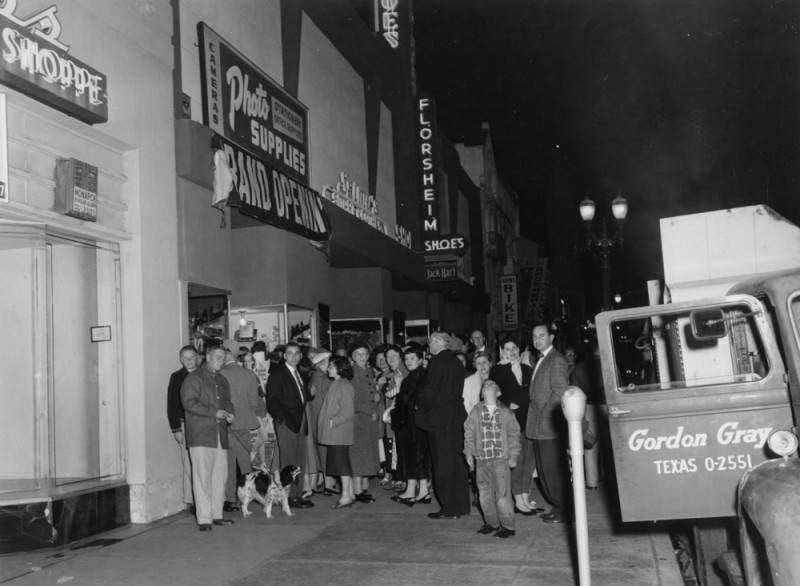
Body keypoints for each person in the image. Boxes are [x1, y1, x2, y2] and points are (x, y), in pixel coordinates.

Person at [416, 332, 471, 519]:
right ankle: (462, 505)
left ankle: (449, 507)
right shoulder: (456, 362)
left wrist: (419, 404)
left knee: (441, 464)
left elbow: (431, 390)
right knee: (457, 462)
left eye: (430, 341)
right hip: (456, 418)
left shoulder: (436, 362)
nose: (428, 344)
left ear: (439, 343)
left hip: (439, 420)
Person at [181, 345, 235, 531]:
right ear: (207, 357)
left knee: (220, 476)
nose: (221, 361)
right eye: (218, 357)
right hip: (201, 434)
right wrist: (215, 412)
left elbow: (228, 402)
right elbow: (189, 403)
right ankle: (204, 518)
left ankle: (217, 514)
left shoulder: (223, 379)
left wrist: (230, 413)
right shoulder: (194, 378)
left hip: (219, 434)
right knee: (202, 477)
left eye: (223, 358)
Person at [464, 380, 521, 538]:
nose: (487, 389)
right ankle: (491, 522)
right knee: (484, 495)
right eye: (485, 388)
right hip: (482, 460)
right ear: (482, 393)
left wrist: (513, 456)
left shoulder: (506, 413)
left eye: (492, 388)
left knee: (502, 495)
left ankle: (508, 526)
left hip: (500, 460)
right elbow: (469, 433)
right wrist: (468, 453)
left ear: (498, 393)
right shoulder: (476, 411)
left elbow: (513, 435)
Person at [526, 323, 570, 523]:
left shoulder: (557, 360)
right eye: (535, 336)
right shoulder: (541, 359)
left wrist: (545, 416)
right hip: (538, 426)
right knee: (545, 472)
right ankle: (558, 507)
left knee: (552, 471)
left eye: (542, 335)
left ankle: (565, 510)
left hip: (548, 426)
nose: (537, 339)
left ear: (551, 337)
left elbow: (560, 391)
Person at [491, 337, 539, 514]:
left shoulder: (527, 369)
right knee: (517, 462)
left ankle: (525, 498)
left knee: (529, 462)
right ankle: (518, 499)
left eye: (514, 348)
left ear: (519, 350)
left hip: (529, 420)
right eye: (507, 349)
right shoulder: (497, 370)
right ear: (502, 351)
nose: (511, 352)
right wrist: (508, 403)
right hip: (511, 422)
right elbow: (492, 395)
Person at [265, 341, 314, 509]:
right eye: (290, 353)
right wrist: (282, 419)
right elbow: (271, 401)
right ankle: (289, 496)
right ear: (284, 356)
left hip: (300, 421)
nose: (294, 356)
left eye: (297, 353)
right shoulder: (278, 374)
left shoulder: (299, 372)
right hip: (287, 423)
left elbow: (301, 396)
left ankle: (297, 494)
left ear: (301, 356)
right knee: (288, 461)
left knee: (300, 460)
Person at [221, 350, 266, 512]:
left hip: (227, 424)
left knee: (229, 464)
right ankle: (248, 495)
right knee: (245, 462)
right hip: (245, 424)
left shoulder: (220, 373)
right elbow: (255, 401)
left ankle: (231, 499)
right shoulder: (248, 374)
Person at [390, 346, 432, 505]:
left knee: (417, 456)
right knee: (413, 456)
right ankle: (414, 490)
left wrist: (400, 388)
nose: (408, 362)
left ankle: (422, 492)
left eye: (412, 358)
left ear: (421, 359)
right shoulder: (415, 375)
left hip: (414, 423)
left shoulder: (420, 375)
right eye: (406, 359)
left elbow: (409, 400)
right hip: (411, 423)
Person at [317, 356, 356, 509]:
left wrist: (333, 422)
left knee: (342, 465)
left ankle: (346, 496)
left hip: (338, 433)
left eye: (331, 366)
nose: (328, 369)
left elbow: (348, 411)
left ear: (340, 369)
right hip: (335, 433)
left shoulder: (344, 385)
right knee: (342, 463)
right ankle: (350, 493)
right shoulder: (338, 383)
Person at [167, 345, 198, 514]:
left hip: (203, 425)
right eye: (185, 358)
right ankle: (191, 499)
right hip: (185, 424)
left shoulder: (204, 374)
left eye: (192, 357)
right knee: (188, 462)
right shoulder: (177, 377)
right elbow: (171, 404)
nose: (189, 360)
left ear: (197, 357)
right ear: (181, 359)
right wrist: (176, 429)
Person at [565, 346, 600, 490]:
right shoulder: (609, 364)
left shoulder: (578, 369)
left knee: (590, 445)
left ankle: (592, 482)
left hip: (588, 407)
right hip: (607, 406)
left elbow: (574, 392)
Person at [350, 343, 381, 502]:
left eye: (364, 354)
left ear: (368, 356)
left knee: (366, 454)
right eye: (357, 354)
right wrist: (371, 411)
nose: (361, 357)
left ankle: (362, 487)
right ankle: (357, 490)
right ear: (353, 357)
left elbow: (371, 392)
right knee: (358, 455)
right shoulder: (354, 372)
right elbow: (354, 399)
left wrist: (377, 396)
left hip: (368, 419)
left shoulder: (367, 370)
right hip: (359, 419)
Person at [308, 349, 335, 494]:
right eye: (329, 363)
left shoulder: (314, 377)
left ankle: (322, 480)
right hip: (323, 420)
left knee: (320, 451)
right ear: (322, 364)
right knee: (326, 451)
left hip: (316, 419)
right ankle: (329, 483)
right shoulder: (324, 380)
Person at [463, 351, 492, 416]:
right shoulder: (468, 382)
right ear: (475, 366)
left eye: (484, 362)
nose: (482, 365)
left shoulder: (498, 379)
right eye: (478, 363)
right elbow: (467, 405)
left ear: (490, 363)